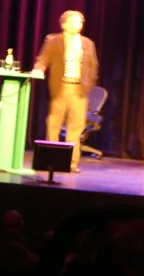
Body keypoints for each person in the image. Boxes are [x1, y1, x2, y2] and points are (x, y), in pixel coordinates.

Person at [32, 10, 99, 173]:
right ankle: (50, 161)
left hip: (79, 89)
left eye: (80, 22)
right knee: (54, 124)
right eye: (74, 22)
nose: (78, 25)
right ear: (64, 24)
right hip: (61, 87)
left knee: (76, 127)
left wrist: (89, 84)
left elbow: (93, 66)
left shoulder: (88, 43)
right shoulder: (54, 40)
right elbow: (43, 59)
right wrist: (38, 70)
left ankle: (71, 163)